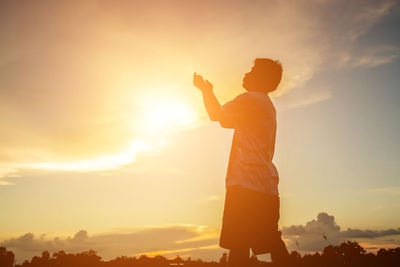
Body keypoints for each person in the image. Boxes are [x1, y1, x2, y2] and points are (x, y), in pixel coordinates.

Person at [193, 58, 289, 266]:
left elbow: (216, 115)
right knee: (271, 241)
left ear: (261, 78)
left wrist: (205, 90)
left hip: (246, 185)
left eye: (252, 71)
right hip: (265, 186)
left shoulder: (251, 99)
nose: (246, 74)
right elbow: (225, 121)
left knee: (238, 246)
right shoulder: (265, 105)